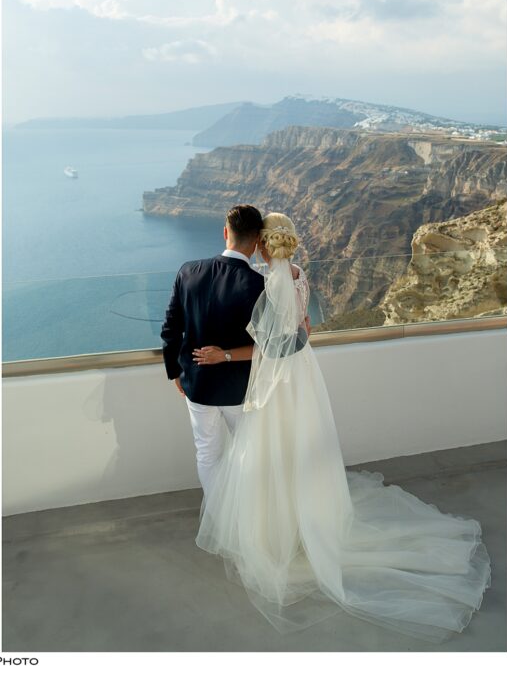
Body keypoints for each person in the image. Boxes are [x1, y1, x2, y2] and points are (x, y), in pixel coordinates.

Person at [193, 213, 491, 640]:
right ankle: (307, 515)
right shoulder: (297, 274)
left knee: (270, 447)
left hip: (278, 375)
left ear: (262, 243)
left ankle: (279, 529)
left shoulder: (263, 281)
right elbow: (303, 329)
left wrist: (223, 356)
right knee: (303, 442)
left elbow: (269, 344)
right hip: (304, 374)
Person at [160, 204, 266, 494]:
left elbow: (170, 329)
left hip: (198, 384)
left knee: (207, 453)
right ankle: (245, 518)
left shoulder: (188, 271)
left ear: (225, 233)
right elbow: (267, 345)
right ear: (257, 242)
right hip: (240, 389)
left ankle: (217, 518)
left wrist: (175, 372)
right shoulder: (259, 285)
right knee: (250, 454)